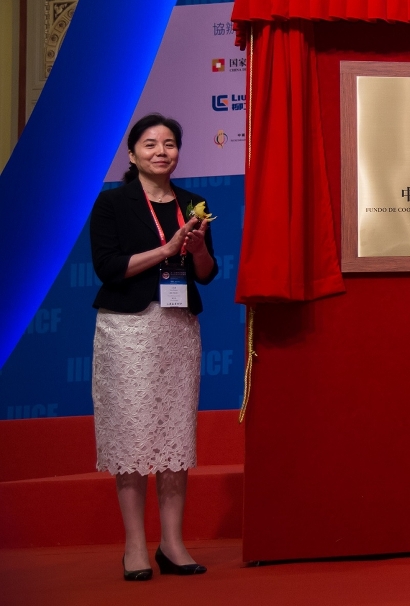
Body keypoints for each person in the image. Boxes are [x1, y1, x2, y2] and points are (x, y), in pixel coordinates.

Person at [89, 114, 218, 580]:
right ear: (132, 153)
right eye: (150, 144)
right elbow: (108, 267)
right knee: (131, 436)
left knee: (173, 436)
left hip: (178, 330)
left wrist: (197, 247)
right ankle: (134, 547)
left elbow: (205, 272)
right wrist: (167, 251)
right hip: (127, 331)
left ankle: (173, 542)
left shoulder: (193, 204)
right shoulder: (112, 204)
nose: (161, 151)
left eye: (169, 144)